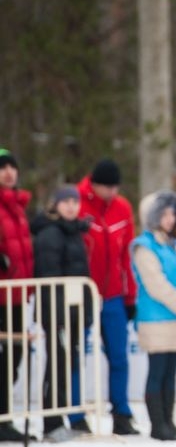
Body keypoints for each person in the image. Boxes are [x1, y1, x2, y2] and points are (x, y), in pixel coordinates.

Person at [77, 158, 139, 435]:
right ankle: (75, 414)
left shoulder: (122, 207)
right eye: (107, 187)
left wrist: (130, 296)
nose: (112, 193)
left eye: (116, 187)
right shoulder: (76, 203)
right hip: (82, 294)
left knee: (118, 356)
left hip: (113, 294)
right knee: (77, 355)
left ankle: (122, 413)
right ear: (94, 185)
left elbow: (127, 255)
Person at [31, 185, 94, 441]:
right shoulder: (50, 234)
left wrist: (85, 311)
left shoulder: (74, 232)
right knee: (56, 366)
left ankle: (59, 419)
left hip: (73, 312)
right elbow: (50, 279)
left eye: (75, 201)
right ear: (55, 204)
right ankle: (51, 423)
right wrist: (57, 317)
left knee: (67, 367)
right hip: (57, 314)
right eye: (65, 201)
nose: (71, 206)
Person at [131, 191, 176, 441]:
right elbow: (156, 285)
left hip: (175, 317)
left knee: (171, 372)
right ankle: (157, 423)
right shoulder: (144, 246)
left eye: (173, 213)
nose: (171, 219)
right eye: (164, 214)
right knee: (158, 371)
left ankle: (168, 419)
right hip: (156, 318)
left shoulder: (175, 245)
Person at [0, 148, 34, 442]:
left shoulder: (19, 207)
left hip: (16, 296)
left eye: (12, 167)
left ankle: (4, 414)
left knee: (14, 354)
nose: (9, 172)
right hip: (1, 295)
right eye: (2, 168)